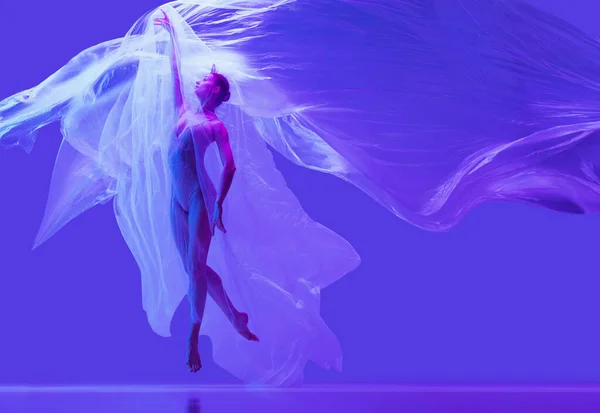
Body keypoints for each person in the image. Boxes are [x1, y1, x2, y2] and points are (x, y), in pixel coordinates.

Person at [155, 10, 258, 373]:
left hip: (199, 197)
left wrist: (218, 206)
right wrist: (171, 37)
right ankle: (235, 315)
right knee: (192, 268)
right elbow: (174, 74)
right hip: (177, 200)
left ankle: (192, 340)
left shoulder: (215, 126)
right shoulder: (183, 113)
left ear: (214, 90)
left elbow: (230, 165)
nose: (196, 80)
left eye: (204, 79)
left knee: (195, 268)